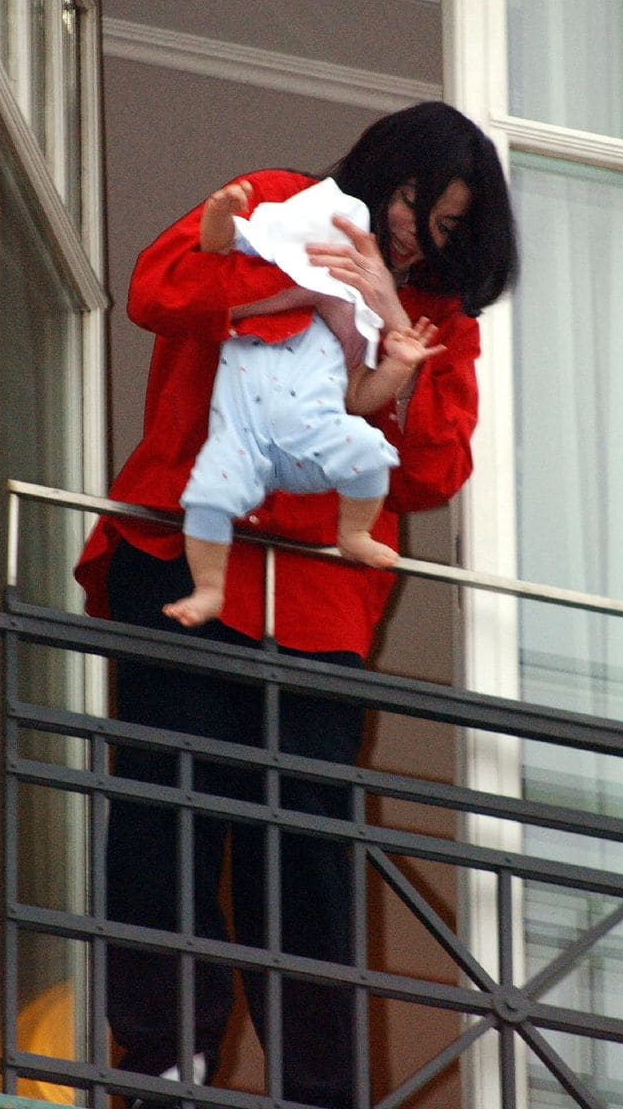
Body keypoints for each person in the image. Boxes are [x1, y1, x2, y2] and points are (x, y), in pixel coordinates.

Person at [74, 101, 518, 1109]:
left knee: (309, 854)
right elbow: (156, 289)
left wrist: (396, 326)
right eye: (415, 203)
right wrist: (312, 277)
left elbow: (433, 471)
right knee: (168, 804)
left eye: (446, 228)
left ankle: (320, 1089)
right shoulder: (278, 202)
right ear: (383, 170)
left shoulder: (439, 315)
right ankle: (156, 1060)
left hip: (319, 601)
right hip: (189, 551)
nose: (417, 233)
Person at [164, 175, 448, 628]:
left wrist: (398, 366)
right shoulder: (256, 296)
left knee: (369, 450)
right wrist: (220, 213)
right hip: (241, 441)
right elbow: (218, 247)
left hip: (311, 442)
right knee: (208, 499)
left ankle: (353, 532)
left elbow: (359, 396)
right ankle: (210, 588)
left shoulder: (349, 324)